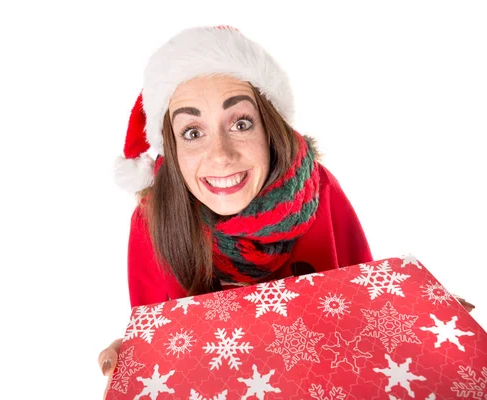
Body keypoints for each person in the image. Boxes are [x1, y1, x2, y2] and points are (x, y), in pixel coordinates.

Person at [97, 25, 475, 395]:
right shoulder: (154, 220)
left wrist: (410, 321)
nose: (222, 156)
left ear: (269, 129)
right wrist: (137, 362)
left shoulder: (318, 189)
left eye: (241, 123)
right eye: (193, 132)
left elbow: (359, 309)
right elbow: (165, 354)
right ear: (172, 147)